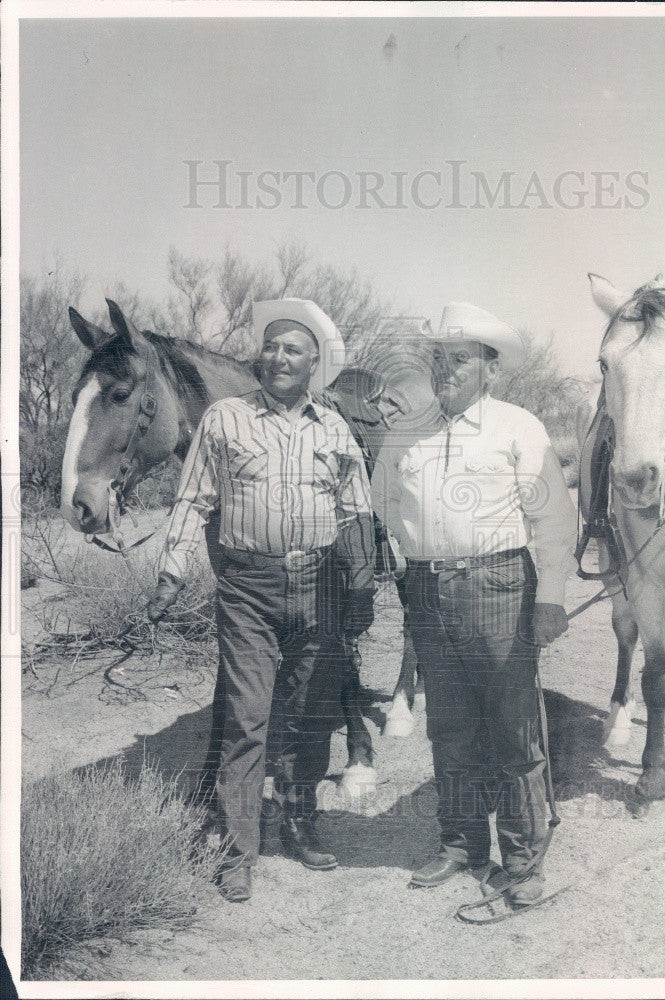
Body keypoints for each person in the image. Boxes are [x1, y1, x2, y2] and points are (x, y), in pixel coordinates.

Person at [147, 299, 375, 902]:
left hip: (319, 587)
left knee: (309, 715)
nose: (277, 357)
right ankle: (235, 850)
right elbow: (193, 497)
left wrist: (361, 584)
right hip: (249, 587)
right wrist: (172, 570)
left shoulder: (334, 429)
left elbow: (357, 511)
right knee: (248, 718)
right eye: (270, 347)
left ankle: (300, 822)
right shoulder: (225, 419)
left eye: (292, 350)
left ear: (313, 364)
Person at [370, 302, 577, 905]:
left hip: (501, 588)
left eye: (459, 359)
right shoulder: (405, 432)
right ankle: (461, 844)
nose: (446, 369)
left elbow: (555, 522)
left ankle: (522, 861)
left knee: (514, 730)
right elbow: (384, 504)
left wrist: (553, 598)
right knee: (451, 729)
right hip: (428, 592)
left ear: (490, 369)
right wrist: (410, 554)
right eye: (438, 357)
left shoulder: (518, 428)